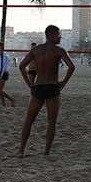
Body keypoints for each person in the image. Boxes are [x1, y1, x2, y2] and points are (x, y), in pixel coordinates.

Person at [17, 25, 75, 157]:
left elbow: (21, 66)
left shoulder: (36, 50)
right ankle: (46, 151)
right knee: (51, 122)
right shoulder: (59, 50)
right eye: (59, 35)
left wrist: (29, 84)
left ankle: (21, 150)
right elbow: (71, 67)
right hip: (52, 87)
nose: (60, 37)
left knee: (29, 120)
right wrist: (64, 82)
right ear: (53, 35)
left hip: (38, 87)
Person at [0, 42, 16, 107]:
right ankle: (3, 104)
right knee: (0, 90)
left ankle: (12, 99)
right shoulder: (3, 54)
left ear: (1, 47)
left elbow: (3, 66)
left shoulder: (3, 54)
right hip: (1, 73)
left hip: (3, 73)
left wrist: (1, 75)